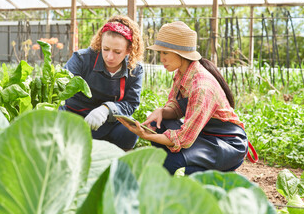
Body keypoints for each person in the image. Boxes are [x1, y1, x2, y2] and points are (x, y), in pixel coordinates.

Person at [117, 21, 249, 174]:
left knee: (169, 163)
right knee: (160, 124)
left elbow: (184, 138)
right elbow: (177, 107)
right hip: (203, 135)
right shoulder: (182, 73)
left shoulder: (202, 86)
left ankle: (210, 171)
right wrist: (161, 111)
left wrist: (146, 135)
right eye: (160, 53)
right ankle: (185, 168)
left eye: (165, 53)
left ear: (181, 53)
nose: (161, 58)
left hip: (226, 145)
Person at [60, 15, 144, 150]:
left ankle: (114, 160)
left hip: (109, 122)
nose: (110, 57)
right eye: (105, 49)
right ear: (100, 43)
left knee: (129, 132)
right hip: (76, 119)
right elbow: (60, 89)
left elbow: (131, 103)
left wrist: (106, 109)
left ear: (129, 50)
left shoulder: (135, 70)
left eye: (117, 52)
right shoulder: (81, 59)